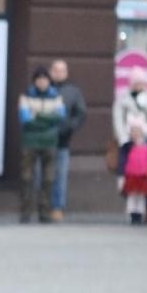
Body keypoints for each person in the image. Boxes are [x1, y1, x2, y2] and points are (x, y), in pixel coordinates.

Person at [17, 67, 64, 223]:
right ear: (35, 81)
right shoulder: (26, 96)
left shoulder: (56, 96)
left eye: (44, 79)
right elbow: (25, 119)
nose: (42, 82)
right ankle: (25, 212)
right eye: (39, 79)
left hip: (50, 142)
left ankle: (44, 212)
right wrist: (47, 120)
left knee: (48, 179)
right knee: (26, 178)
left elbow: (59, 118)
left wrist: (38, 115)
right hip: (30, 142)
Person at [48, 59, 87, 222]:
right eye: (56, 70)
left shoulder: (72, 91)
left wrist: (70, 127)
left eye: (62, 70)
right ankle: (42, 205)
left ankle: (57, 207)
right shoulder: (43, 88)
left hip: (63, 140)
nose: (59, 73)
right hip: (42, 140)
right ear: (51, 71)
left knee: (60, 175)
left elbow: (80, 113)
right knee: (40, 175)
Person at [121, 120, 147, 225]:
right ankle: (133, 215)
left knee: (142, 197)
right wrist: (121, 175)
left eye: (138, 131)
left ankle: (141, 215)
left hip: (144, 175)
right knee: (132, 196)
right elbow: (122, 161)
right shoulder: (127, 146)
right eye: (133, 131)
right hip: (131, 175)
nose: (135, 133)